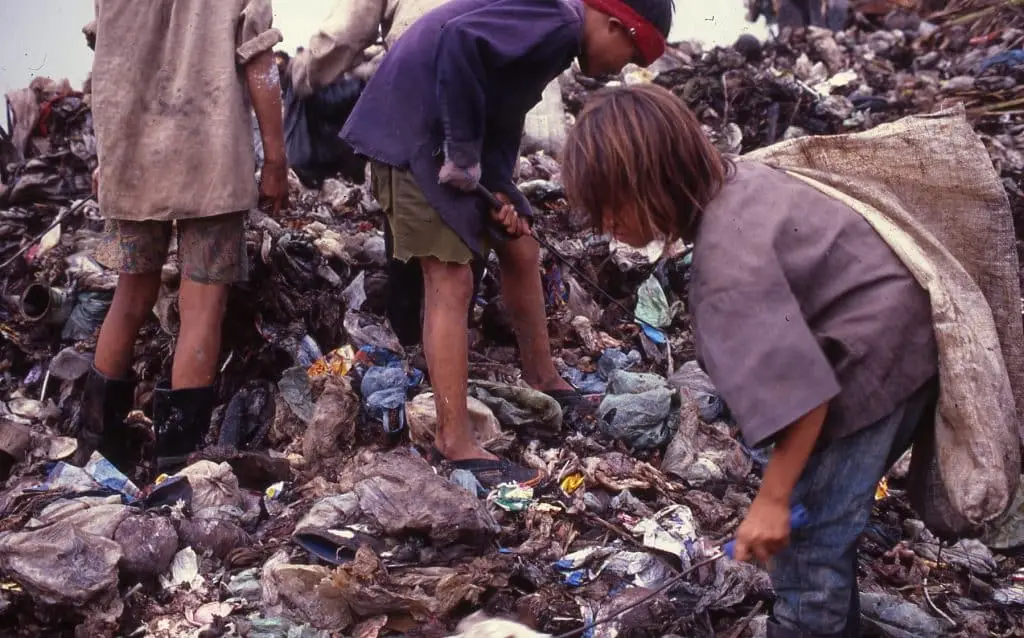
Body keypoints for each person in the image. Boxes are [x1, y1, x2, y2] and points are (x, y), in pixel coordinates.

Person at [560, 84, 939, 637]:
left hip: (874, 364)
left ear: (645, 184)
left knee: (810, 544)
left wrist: (772, 500)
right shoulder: (740, 179)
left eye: (606, 206)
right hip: (904, 333)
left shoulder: (727, 270)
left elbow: (806, 400)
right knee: (825, 524)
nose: (601, 225)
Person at [340, 0, 675, 487]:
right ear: (612, 23)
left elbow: (499, 104)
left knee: (522, 247)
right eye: (628, 55)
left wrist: (500, 186)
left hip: (445, 137)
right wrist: (463, 157)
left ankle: (544, 378)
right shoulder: (559, 21)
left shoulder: (560, 39)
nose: (620, 69)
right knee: (450, 278)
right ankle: (454, 441)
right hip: (413, 133)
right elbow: (457, 44)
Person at [78, 0, 289, 478]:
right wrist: (275, 158)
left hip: (134, 163)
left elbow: (108, 57)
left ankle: (98, 446)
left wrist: (108, 155)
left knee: (131, 294)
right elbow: (260, 63)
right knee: (202, 305)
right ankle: (176, 461)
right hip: (208, 160)